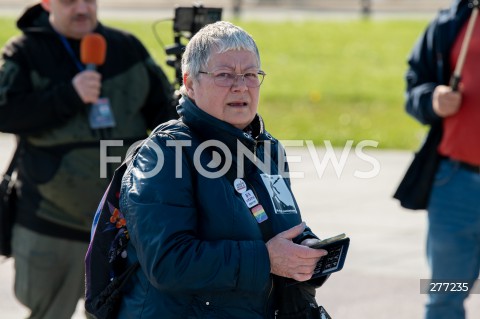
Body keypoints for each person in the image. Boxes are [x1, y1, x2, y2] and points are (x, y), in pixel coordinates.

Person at [117, 21, 330, 318]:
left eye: (250, 74)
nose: (241, 85)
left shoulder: (267, 148)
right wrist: (266, 260)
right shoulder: (163, 154)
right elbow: (167, 262)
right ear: (189, 84)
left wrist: (306, 247)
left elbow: (274, 222)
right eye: (224, 75)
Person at [0, 0, 176, 318]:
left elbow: (166, 114)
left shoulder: (127, 48)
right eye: (69, 2)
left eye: (89, 1)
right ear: (47, 3)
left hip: (121, 223)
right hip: (50, 223)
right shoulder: (24, 52)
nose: (82, 9)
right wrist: (68, 95)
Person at [397, 0, 480, 318]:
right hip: (455, 184)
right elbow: (414, 87)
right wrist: (432, 99)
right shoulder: (451, 22)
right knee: (446, 296)